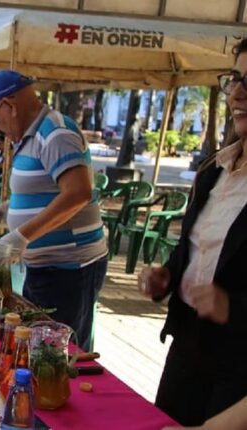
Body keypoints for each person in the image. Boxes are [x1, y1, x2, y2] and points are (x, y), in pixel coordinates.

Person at [141, 39, 247, 427]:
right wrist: (166, 276)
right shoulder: (214, 169)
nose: (236, 92)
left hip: (239, 361)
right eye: (235, 78)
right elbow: (195, 247)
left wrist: (232, 307)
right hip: (188, 341)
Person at [0, 70, 107, 352]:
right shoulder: (33, 136)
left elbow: (78, 193)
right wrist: (12, 207)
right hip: (47, 269)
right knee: (37, 349)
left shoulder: (55, 132)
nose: (0, 129)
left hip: (69, 270)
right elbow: (48, 189)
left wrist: (21, 235)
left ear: (9, 106)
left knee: (59, 353)